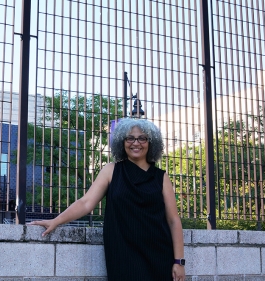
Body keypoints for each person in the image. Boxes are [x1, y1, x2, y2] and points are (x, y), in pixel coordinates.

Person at [29, 118, 186, 281]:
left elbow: (173, 220)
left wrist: (179, 262)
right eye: (130, 138)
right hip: (123, 256)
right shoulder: (111, 171)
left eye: (142, 138)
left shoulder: (161, 177)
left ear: (151, 142)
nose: (136, 143)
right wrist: (56, 220)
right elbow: (85, 203)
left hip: (158, 256)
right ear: (122, 141)